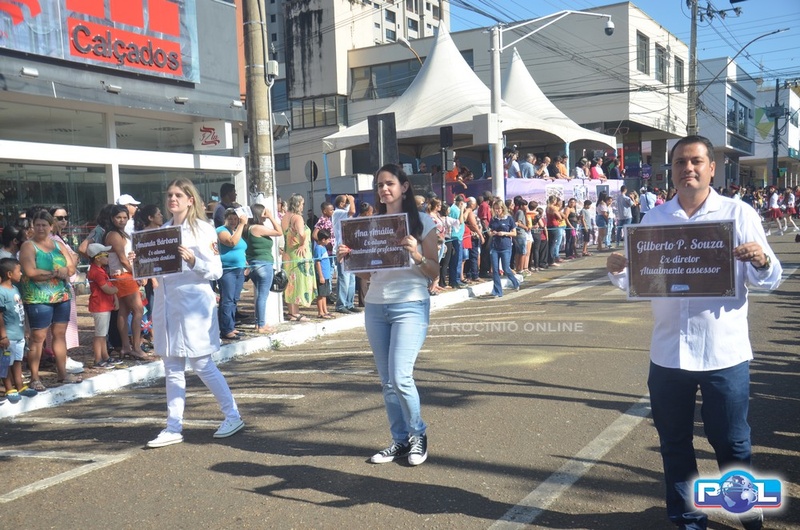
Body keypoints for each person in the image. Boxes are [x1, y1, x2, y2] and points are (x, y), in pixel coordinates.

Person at [606, 135, 782, 530]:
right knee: (674, 444)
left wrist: (761, 260)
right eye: (680, 162)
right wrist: (618, 270)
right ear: (671, 170)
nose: (688, 168)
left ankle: (747, 513)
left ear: (711, 168)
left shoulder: (738, 214)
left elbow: (769, 279)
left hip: (724, 354)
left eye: (696, 161)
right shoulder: (654, 219)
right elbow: (641, 280)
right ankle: (688, 519)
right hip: (669, 354)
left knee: (732, 443)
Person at [337, 163, 438, 466]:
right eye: (379, 184)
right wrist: (348, 259)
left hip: (410, 305)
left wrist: (416, 254)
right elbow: (368, 274)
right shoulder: (370, 225)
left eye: (389, 183)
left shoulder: (422, 222)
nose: (384, 189)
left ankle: (418, 434)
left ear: (404, 187)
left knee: (400, 376)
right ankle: (400, 440)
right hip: (376, 306)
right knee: (387, 382)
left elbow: (434, 270)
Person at [146, 178, 244, 448]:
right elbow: (154, 272)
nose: (172, 199)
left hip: (194, 306)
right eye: (170, 195)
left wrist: (193, 260)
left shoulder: (203, 229)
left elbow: (215, 271)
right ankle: (173, 427)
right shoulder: (162, 231)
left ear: (190, 200)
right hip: (167, 305)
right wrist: (139, 263)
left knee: (202, 364)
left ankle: (232, 415)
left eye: (178, 195)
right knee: (172, 367)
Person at [18, 210, 79, 390]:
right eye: (37, 225)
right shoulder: (28, 246)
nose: (41, 228)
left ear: (51, 226)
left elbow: (71, 268)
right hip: (38, 298)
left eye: (44, 225)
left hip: (61, 296)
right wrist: (56, 273)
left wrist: (63, 272)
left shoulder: (58, 245)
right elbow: (31, 272)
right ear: (33, 226)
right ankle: (35, 377)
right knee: (38, 337)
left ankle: (62, 373)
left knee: (59, 334)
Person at [104, 205, 148, 360]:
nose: (122, 220)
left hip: (123, 275)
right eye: (118, 217)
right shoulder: (114, 235)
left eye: (124, 217)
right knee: (138, 310)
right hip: (123, 276)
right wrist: (138, 274)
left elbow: (126, 257)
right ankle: (135, 347)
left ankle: (126, 347)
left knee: (124, 311)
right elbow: (122, 260)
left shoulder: (121, 233)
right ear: (112, 219)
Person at [0, 258, 38, 403]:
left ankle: (19, 385)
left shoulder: (15, 289)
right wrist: (3, 336)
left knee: (17, 360)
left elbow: (20, 310)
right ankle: (9, 387)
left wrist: (26, 329)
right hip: (8, 335)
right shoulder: (1, 292)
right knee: (5, 362)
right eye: (19, 271)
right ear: (9, 274)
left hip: (19, 333)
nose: (21, 273)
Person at [243, 203, 282, 334]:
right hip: (264, 264)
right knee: (263, 296)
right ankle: (261, 325)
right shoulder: (257, 228)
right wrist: (271, 217)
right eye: (264, 213)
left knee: (260, 295)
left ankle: (258, 323)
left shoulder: (247, 228)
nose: (265, 216)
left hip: (253, 265)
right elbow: (279, 231)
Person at [281, 194, 316, 322]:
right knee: (298, 283)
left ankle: (292, 312)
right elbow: (301, 233)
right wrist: (302, 244)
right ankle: (295, 313)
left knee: (290, 283)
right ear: (298, 204)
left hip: (288, 254)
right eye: (302, 204)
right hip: (299, 254)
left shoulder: (285, 216)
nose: (303, 206)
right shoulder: (297, 218)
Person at [216, 208, 248, 341]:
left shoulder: (236, 231)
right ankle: (226, 329)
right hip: (227, 270)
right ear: (225, 219)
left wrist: (245, 263)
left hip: (239, 269)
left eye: (236, 219)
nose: (233, 221)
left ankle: (231, 325)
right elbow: (231, 242)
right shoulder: (221, 230)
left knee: (234, 299)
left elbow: (241, 248)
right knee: (227, 299)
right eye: (231, 219)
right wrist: (241, 224)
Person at [86, 243, 119, 369]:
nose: (107, 257)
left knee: (103, 334)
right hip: (100, 306)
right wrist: (116, 290)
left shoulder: (100, 270)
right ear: (98, 258)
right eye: (105, 255)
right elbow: (107, 289)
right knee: (99, 334)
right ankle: (97, 359)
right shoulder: (97, 272)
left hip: (104, 305)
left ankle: (105, 356)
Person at [332, 194, 359, 314]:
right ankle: (340, 304)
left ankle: (349, 303)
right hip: (342, 249)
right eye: (346, 201)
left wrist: (349, 201)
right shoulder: (337, 213)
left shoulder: (344, 213)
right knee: (344, 278)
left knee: (352, 278)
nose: (348, 203)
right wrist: (352, 200)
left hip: (350, 248)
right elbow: (352, 211)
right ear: (341, 204)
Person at [488, 199, 520, 297]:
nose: (497, 210)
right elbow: (489, 231)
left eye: (498, 208)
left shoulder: (509, 219)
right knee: (495, 270)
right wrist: (492, 233)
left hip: (505, 247)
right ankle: (497, 291)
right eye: (495, 209)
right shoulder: (493, 219)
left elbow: (514, 233)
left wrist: (504, 233)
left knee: (506, 268)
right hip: (494, 247)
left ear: (502, 208)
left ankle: (515, 282)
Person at [313, 229, 334, 319]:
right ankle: (320, 312)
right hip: (322, 276)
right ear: (323, 240)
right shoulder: (318, 248)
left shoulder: (323, 247)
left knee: (324, 294)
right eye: (328, 239)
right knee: (320, 295)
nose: (329, 241)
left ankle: (325, 311)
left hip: (326, 275)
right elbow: (317, 262)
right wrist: (321, 276)